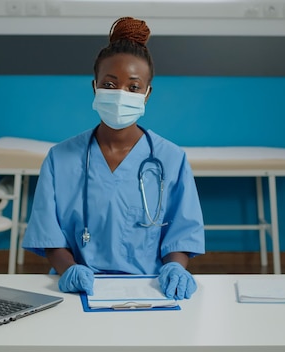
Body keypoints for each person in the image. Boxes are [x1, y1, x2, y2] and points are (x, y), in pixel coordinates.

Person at [22, 17, 205, 300]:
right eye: (110, 84)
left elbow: (181, 233)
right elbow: (49, 236)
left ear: (147, 94)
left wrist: (175, 269)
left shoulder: (171, 159)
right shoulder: (60, 159)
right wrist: (69, 270)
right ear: (95, 87)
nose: (121, 95)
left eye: (133, 87)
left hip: (151, 288)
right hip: (80, 290)